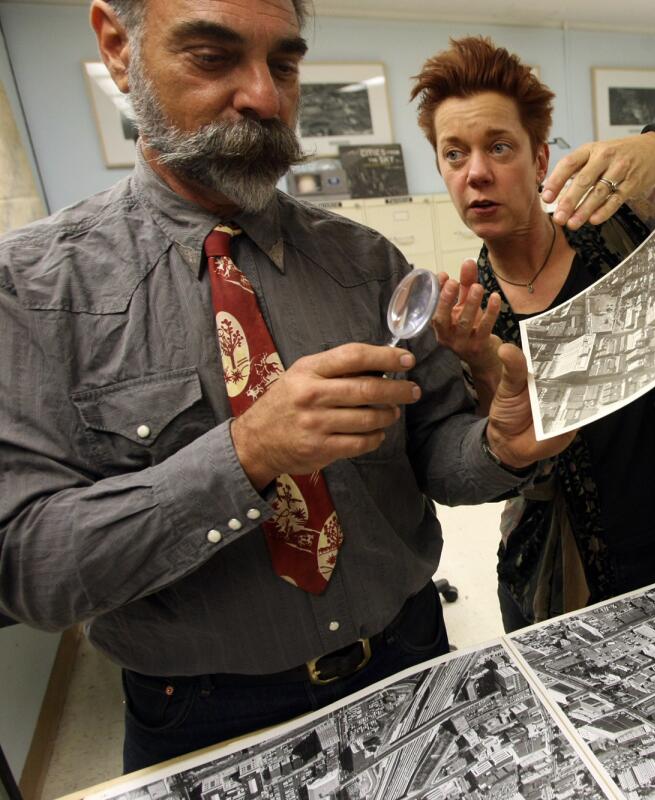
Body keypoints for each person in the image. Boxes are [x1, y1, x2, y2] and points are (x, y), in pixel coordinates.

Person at [0, 1, 571, 773]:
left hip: (409, 659)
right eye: (213, 57)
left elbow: (437, 453)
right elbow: (28, 569)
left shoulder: (367, 263)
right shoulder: (33, 292)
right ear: (118, 47)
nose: (265, 98)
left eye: (285, 65)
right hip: (204, 714)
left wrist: (499, 447)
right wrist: (246, 452)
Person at [411, 37, 655, 631]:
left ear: (540, 157)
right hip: (553, 581)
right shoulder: (472, 315)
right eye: (454, 154)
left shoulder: (637, 231)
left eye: (499, 146)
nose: (476, 173)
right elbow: (502, 468)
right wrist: (478, 366)